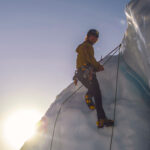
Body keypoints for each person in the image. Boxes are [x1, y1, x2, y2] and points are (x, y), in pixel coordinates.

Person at [73, 29, 114, 128]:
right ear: (88, 36)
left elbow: (81, 61)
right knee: (97, 94)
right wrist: (98, 66)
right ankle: (101, 119)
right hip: (87, 72)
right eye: (93, 36)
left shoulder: (82, 47)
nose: (94, 38)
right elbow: (90, 59)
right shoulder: (87, 46)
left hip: (81, 73)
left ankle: (88, 96)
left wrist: (76, 76)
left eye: (96, 37)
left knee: (94, 90)